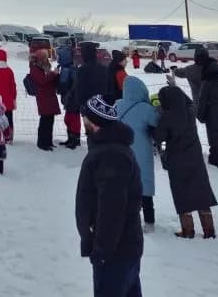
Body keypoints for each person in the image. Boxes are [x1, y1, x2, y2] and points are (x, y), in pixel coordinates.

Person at [75, 96, 144, 297]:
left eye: (85, 117)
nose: (83, 120)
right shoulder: (108, 149)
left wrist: (102, 250)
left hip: (115, 252)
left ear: (94, 122)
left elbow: (112, 209)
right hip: (122, 248)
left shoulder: (110, 155)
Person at [155, 81, 217, 238]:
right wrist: (175, 88)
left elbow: (158, 136)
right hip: (195, 157)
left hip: (177, 159)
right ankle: (209, 230)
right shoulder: (190, 111)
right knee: (201, 191)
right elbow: (188, 101)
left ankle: (187, 230)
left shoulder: (167, 117)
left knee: (182, 194)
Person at [116, 76, 159, 232]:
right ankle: (149, 222)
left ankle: (125, 220)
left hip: (122, 151)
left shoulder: (117, 105)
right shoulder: (146, 108)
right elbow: (156, 122)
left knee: (124, 186)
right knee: (144, 186)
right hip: (142, 152)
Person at [28, 51, 61, 151]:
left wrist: (56, 75)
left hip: (49, 96)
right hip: (44, 97)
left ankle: (48, 141)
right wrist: (53, 74)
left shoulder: (43, 67)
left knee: (50, 120)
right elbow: (42, 81)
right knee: (45, 121)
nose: (47, 60)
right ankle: (42, 143)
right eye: (45, 58)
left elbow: (48, 80)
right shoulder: (35, 68)